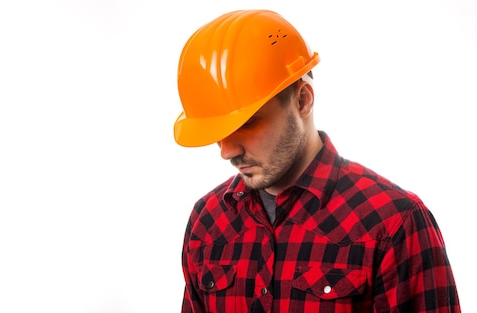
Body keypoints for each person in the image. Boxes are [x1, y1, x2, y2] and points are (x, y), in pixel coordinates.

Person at [173, 9, 461, 313]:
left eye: (246, 123)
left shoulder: (392, 223)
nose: (226, 151)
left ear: (303, 100)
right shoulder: (207, 222)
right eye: (217, 132)